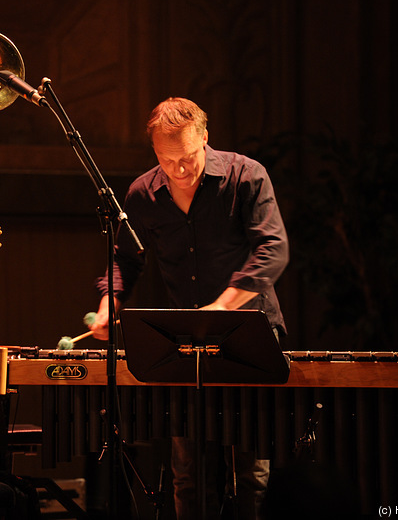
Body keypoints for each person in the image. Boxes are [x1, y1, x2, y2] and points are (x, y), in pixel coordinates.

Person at [89, 97, 289, 519]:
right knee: (190, 475)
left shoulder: (246, 176)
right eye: (167, 160)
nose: (179, 170)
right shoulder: (143, 194)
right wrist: (111, 302)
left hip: (250, 334)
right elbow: (125, 259)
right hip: (189, 344)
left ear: (205, 138)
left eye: (188, 158)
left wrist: (224, 305)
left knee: (251, 475)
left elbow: (272, 249)